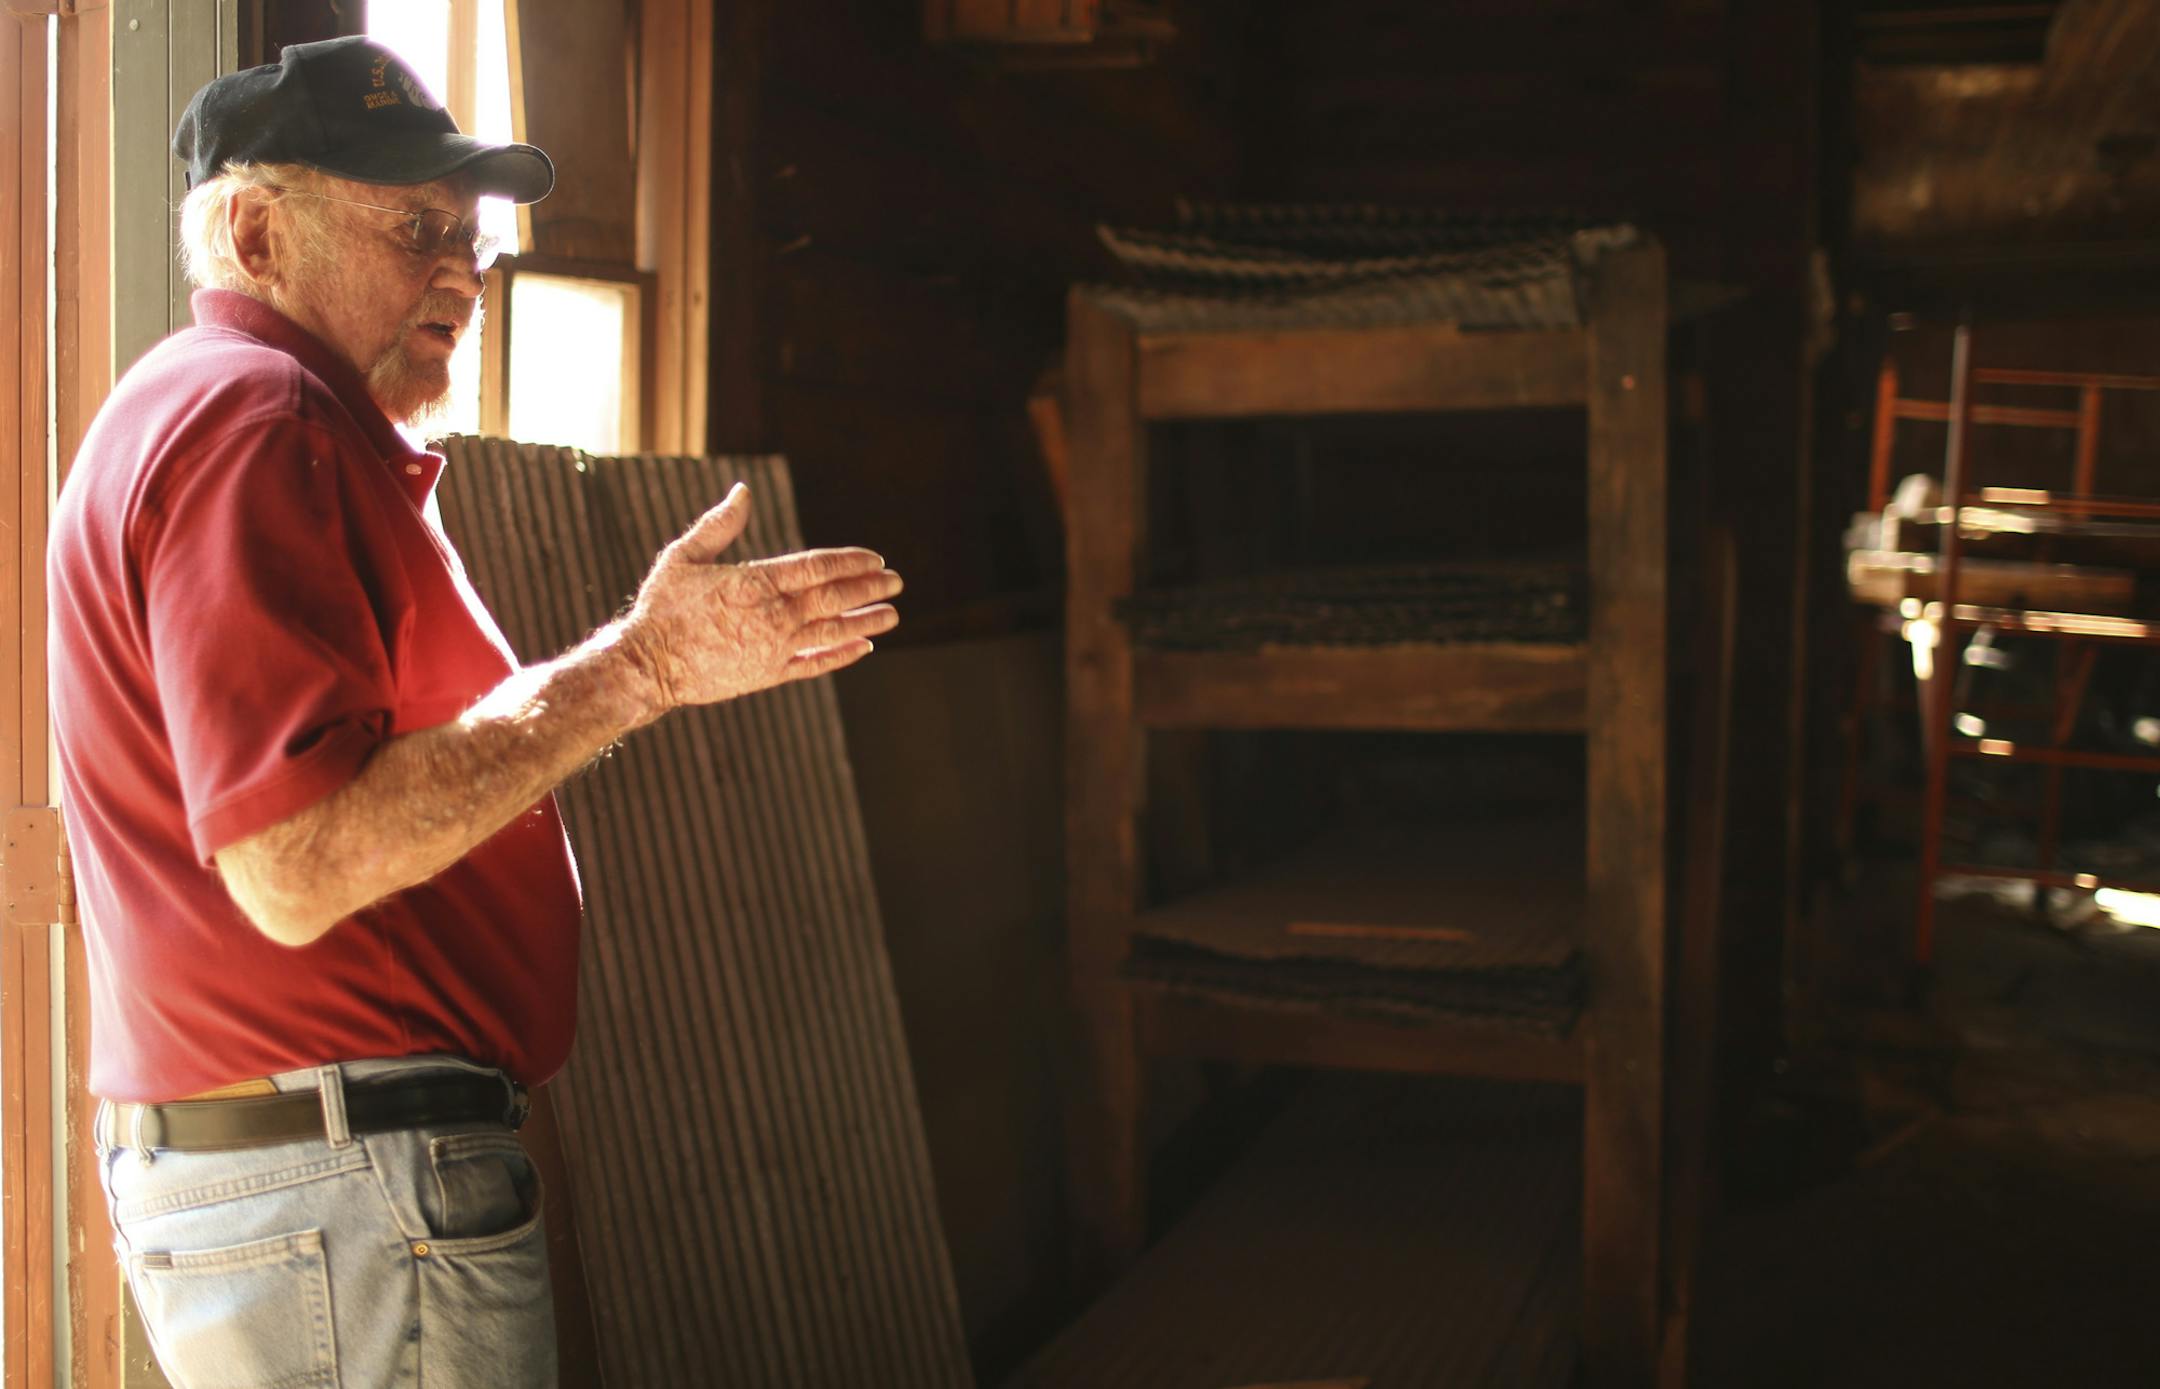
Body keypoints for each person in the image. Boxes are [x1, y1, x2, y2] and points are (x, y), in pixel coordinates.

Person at [47, 35, 900, 1387]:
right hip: (340, 1181)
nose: (463, 272)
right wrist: (641, 669)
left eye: (474, 236)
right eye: (415, 228)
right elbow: (299, 858)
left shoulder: (225, 414)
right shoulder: (259, 419)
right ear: (261, 235)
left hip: (321, 1179)